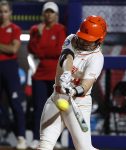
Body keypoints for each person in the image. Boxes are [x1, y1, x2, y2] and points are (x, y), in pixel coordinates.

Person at [37, 15, 107, 150]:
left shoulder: (97, 58)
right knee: (44, 146)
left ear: (99, 40)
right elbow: (67, 56)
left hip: (79, 103)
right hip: (57, 98)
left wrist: (73, 90)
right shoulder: (71, 39)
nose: (84, 41)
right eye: (83, 37)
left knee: (84, 148)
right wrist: (67, 72)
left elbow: (86, 86)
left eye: (89, 40)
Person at [27, 1, 66, 149]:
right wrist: (41, 35)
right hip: (40, 74)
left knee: (58, 107)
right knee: (39, 108)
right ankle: (38, 138)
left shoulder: (61, 29)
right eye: (47, 12)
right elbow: (33, 49)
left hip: (56, 75)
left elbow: (58, 51)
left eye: (52, 12)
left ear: (56, 15)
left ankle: (57, 139)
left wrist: (43, 51)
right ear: (43, 14)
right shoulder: (35, 30)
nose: (49, 14)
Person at [0, 1, 27, 149]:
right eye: (0, 11)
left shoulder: (15, 29)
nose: (2, 14)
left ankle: (21, 137)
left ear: (10, 12)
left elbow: (13, 49)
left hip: (10, 68)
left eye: (5, 11)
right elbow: (8, 47)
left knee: (15, 103)